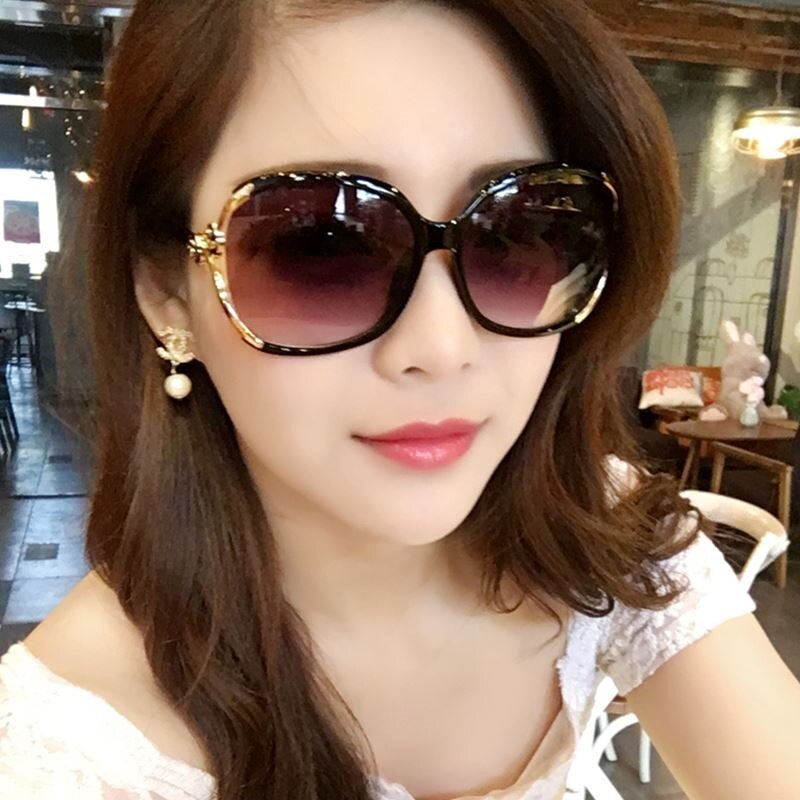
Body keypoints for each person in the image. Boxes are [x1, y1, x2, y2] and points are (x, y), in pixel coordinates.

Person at [1, 1, 798, 799]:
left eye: (515, 233)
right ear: (167, 291)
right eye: (319, 246)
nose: (443, 347)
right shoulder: (62, 752)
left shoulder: (600, 531)